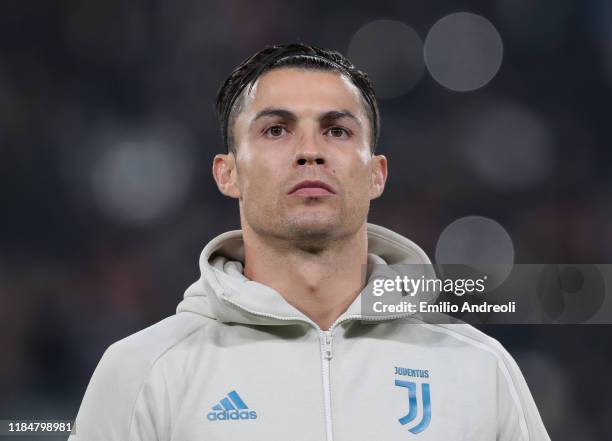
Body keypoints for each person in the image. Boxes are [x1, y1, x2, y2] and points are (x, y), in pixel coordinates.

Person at [70, 43, 550, 440]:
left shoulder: (478, 370)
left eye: (337, 131)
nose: (310, 152)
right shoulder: (143, 371)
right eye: (277, 130)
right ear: (228, 173)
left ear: (377, 174)